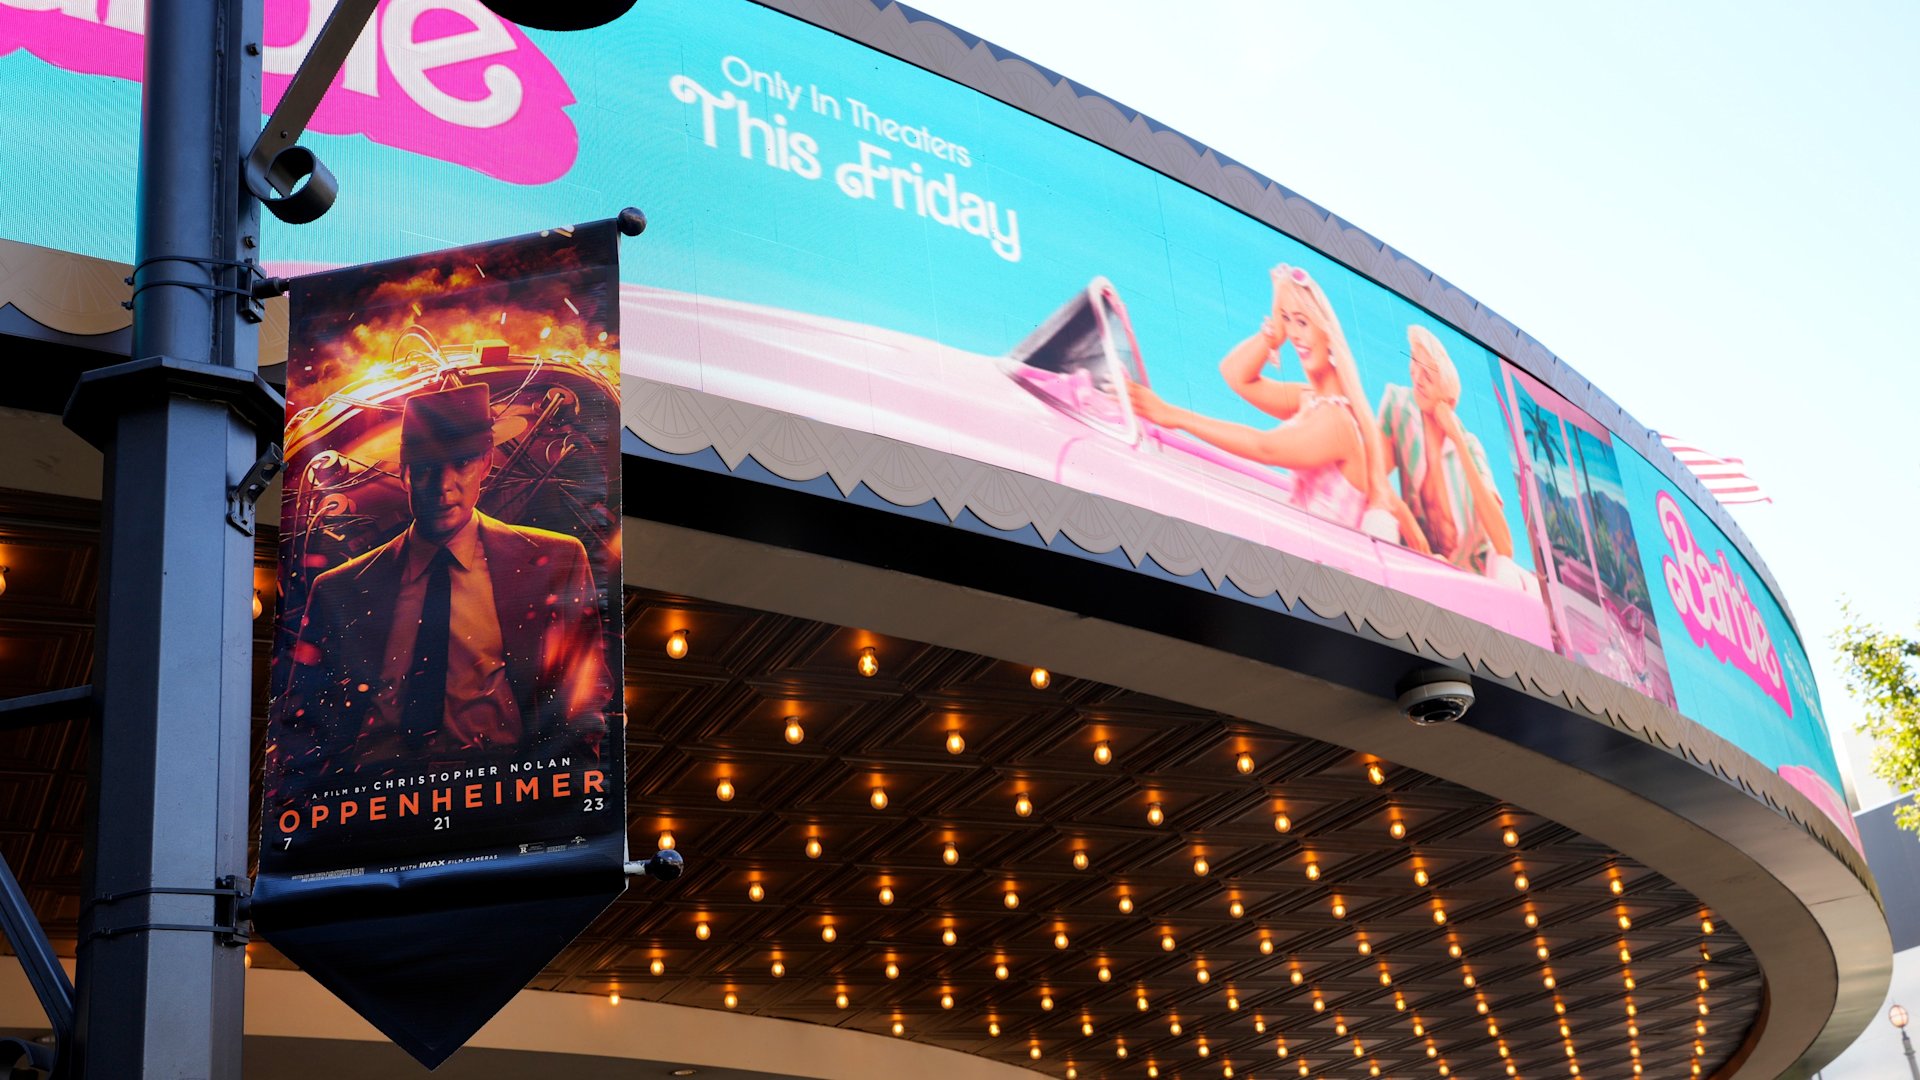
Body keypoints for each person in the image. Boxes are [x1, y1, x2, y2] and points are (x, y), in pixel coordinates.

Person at [282, 381, 613, 773]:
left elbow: (582, 698)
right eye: (427, 469)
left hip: (502, 784)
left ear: (485, 464)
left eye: (461, 464)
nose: (443, 487)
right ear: (405, 473)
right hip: (374, 792)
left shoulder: (556, 560)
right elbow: (305, 720)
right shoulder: (338, 589)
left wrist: (565, 791)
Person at [1129, 264, 1427, 548]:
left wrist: (1173, 415)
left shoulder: (1337, 422)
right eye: (1287, 319)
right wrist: (1272, 336)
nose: (1294, 333)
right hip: (1296, 552)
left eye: (1303, 322)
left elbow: (1265, 448)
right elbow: (1235, 375)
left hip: (1318, 568)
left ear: (1326, 332)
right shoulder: (1310, 399)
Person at [1377, 325, 1517, 576]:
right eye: (1415, 365)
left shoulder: (1470, 446)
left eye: (1428, 376)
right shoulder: (1399, 406)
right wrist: (1404, 515)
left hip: (1466, 576)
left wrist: (1459, 443)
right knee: (1380, 518)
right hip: (1414, 564)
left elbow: (1504, 545)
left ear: (1449, 403)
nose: (1417, 379)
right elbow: (1373, 476)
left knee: (1507, 571)